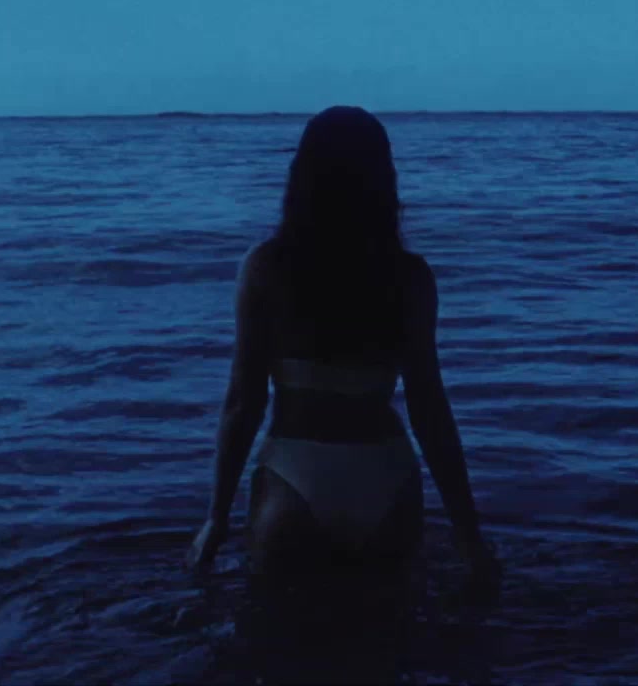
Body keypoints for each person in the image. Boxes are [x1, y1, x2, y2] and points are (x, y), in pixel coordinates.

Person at [186, 106, 499, 590]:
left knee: (277, 633)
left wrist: (217, 517)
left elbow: (243, 403)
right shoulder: (410, 277)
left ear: (301, 176)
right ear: (384, 180)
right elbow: (430, 410)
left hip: (295, 474)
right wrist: (467, 533)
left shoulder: (267, 267)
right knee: (392, 632)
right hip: (385, 475)